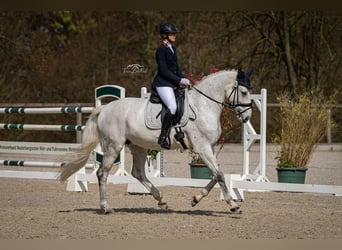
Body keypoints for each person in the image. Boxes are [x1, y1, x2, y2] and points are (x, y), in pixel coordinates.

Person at [151, 22, 190, 149]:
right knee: (172, 107)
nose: (175, 35)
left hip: (171, 82)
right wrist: (179, 80)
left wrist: (184, 79)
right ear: (165, 35)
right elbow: (164, 71)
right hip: (163, 84)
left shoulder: (172, 48)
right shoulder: (161, 50)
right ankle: (163, 137)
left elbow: (176, 68)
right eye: (172, 33)